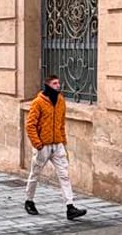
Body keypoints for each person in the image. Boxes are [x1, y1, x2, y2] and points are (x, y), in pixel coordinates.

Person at [23, 75, 87, 220]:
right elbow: (30, 125)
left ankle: (70, 207)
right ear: (47, 85)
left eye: (59, 83)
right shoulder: (38, 102)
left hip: (57, 145)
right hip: (43, 146)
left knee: (64, 175)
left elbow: (61, 123)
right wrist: (37, 144)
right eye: (55, 83)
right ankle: (29, 201)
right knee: (35, 173)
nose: (58, 85)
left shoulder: (60, 101)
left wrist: (63, 142)